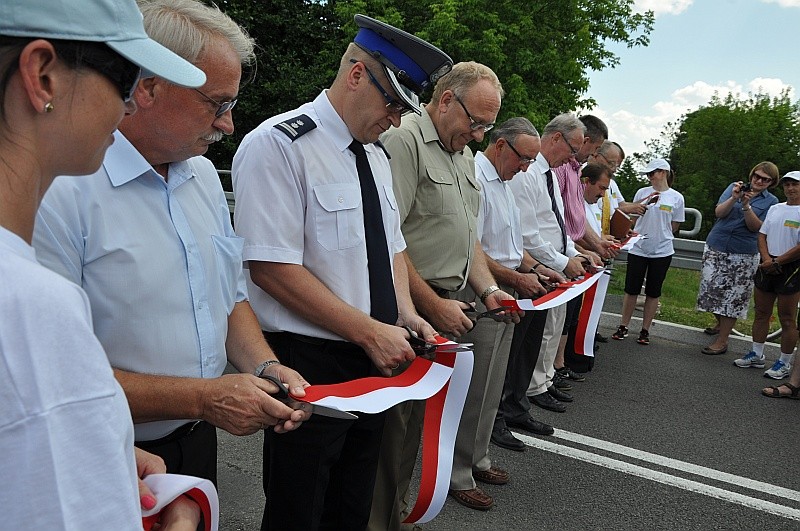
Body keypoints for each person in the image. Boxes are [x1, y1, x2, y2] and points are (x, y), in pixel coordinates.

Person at [33, 0, 309, 486]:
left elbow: (228, 298)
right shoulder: (61, 189)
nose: (228, 124)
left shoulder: (201, 176)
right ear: (148, 87)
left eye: (232, 105)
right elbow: (48, 375)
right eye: (216, 103)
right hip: (99, 451)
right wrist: (204, 397)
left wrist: (266, 367)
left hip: (198, 438)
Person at [231, 15, 448, 531]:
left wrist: (407, 314)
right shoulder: (279, 145)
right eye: (392, 103)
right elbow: (270, 267)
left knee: (352, 504)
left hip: (376, 355)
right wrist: (368, 330)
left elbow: (391, 247)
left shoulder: (373, 155)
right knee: (299, 508)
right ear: (356, 75)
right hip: (311, 361)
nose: (396, 120)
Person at [0, 0, 208, 528]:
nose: (130, 105)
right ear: (43, 76)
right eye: (124, 76)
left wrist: (101, 447)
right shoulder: (29, 304)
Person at [366, 61, 520, 520]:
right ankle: (380, 522)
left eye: (487, 127)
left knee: (416, 429)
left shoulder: (464, 157)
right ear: (447, 99)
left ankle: (395, 517)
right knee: (392, 434)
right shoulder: (405, 140)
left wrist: (489, 289)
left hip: (448, 305)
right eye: (475, 122)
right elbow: (389, 238)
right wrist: (432, 305)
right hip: (408, 307)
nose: (478, 135)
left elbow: (467, 240)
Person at [506, 113, 587, 417]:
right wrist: (564, 261)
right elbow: (529, 233)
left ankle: (538, 384)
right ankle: (524, 392)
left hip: (553, 264)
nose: (573, 157)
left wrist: (573, 253)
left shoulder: (550, 173)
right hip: (536, 266)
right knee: (530, 339)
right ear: (556, 138)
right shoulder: (527, 173)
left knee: (550, 330)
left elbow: (557, 222)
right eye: (572, 148)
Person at [696, 162, 779, 355]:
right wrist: (734, 198)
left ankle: (722, 340)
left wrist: (746, 206)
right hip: (717, 244)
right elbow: (719, 213)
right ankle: (720, 323)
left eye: (764, 179)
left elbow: (756, 227)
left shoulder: (772, 202)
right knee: (709, 292)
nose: (758, 181)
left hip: (743, 252)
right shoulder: (735, 187)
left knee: (733, 297)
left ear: (771, 182)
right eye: (756, 176)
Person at [552, 115, 608, 386]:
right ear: (584, 141)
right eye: (594, 150)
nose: (594, 156)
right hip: (561, 253)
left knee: (565, 319)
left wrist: (596, 244)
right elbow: (557, 219)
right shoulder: (563, 169)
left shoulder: (575, 170)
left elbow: (576, 218)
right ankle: (548, 374)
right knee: (552, 325)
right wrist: (576, 250)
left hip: (570, 250)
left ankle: (554, 370)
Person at [733, 171, 800, 379]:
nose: (790, 189)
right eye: (787, 185)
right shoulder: (775, 208)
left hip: (790, 267)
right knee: (762, 312)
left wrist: (779, 261)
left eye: (795, 185)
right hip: (767, 262)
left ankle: (784, 362)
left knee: (787, 318)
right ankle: (757, 353)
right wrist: (766, 259)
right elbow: (762, 234)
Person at [612, 159, 685, 345]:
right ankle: (623, 325)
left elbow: (675, 225)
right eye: (648, 174)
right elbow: (634, 217)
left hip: (662, 249)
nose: (650, 177)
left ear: (663, 173)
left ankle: (645, 329)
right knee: (631, 289)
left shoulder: (676, 197)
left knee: (654, 291)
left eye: (652, 173)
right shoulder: (643, 192)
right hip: (639, 247)